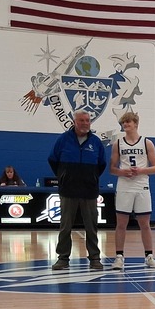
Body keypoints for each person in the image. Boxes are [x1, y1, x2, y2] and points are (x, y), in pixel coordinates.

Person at [48, 110, 108, 271]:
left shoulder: (95, 142)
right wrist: (64, 177)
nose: (85, 123)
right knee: (65, 226)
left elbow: (102, 164)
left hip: (89, 191)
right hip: (68, 190)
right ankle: (63, 258)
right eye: (81, 120)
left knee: (91, 226)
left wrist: (91, 178)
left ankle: (95, 258)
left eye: (87, 120)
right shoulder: (63, 140)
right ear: (74, 121)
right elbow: (53, 160)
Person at [109, 112, 155, 270]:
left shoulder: (147, 143)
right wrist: (122, 172)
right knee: (121, 224)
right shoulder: (118, 143)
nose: (125, 125)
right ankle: (119, 257)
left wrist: (141, 170)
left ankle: (149, 256)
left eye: (128, 122)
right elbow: (112, 169)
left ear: (136, 124)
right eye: (123, 123)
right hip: (124, 185)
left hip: (141, 185)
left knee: (145, 224)